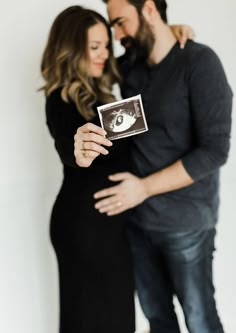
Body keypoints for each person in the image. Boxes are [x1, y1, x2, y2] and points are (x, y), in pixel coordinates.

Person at [75, 1, 233, 333]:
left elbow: (214, 151)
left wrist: (144, 187)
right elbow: (82, 63)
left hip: (186, 224)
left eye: (120, 23)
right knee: (157, 319)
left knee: (200, 319)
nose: (117, 35)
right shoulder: (130, 65)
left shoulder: (199, 62)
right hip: (136, 223)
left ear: (149, 10)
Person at [41, 4, 193, 333]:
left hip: (108, 227)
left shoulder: (104, 93)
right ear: (70, 50)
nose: (103, 54)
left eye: (106, 45)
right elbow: (69, 141)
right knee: (90, 321)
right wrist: (78, 150)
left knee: (115, 320)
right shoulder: (62, 98)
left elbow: (143, 59)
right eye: (94, 47)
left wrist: (170, 33)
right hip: (84, 227)